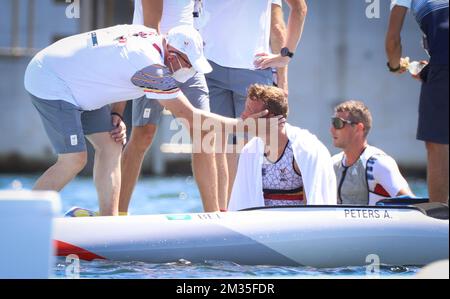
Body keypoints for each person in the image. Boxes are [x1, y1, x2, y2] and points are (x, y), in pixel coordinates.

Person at [24, 24, 271, 216]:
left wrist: (116, 113)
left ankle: (109, 222)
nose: (190, 71)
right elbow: (192, 118)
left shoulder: (150, 37)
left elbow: (110, 66)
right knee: (74, 159)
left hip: (78, 81)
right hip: (52, 79)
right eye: (187, 63)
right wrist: (240, 125)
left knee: (111, 145)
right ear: (172, 53)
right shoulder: (151, 68)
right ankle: (21, 219)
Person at [113, 0, 220, 214]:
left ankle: (214, 213)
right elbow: (152, 28)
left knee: (205, 131)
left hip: (189, 57)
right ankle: (118, 213)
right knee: (143, 135)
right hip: (156, 57)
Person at [201, 0, 308, 210]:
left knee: (215, 144)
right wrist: (284, 64)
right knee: (255, 145)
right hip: (254, 66)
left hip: (208, 64)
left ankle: (220, 213)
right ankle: (249, 209)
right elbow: (285, 20)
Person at [228, 84, 336, 211]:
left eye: (250, 110)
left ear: (270, 117)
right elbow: (241, 203)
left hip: (296, 228)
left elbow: (315, 206)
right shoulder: (249, 151)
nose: (244, 115)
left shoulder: (305, 150)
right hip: (261, 227)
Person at [385, 0, 449, 203]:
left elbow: (393, 41)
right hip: (440, 63)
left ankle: (440, 219)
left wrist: (395, 66)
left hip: (443, 67)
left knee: (438, 144)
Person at [330, 101, 414, 206]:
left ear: (358, 128)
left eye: (338, 123)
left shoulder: (378, 164)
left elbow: (412, 204)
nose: (332, 129)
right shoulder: (332, 164)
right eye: (332, 123)